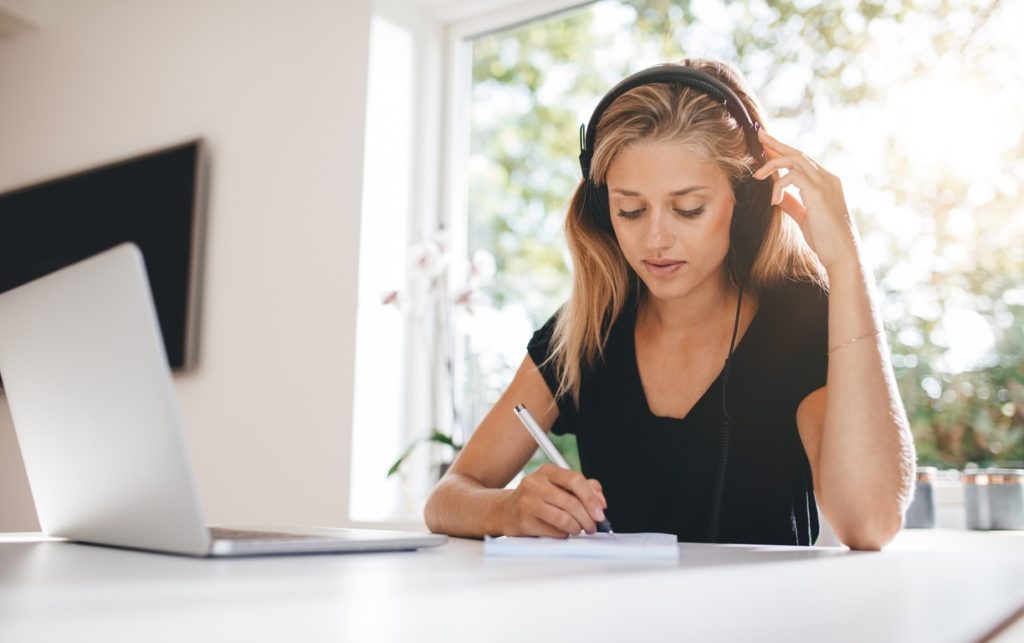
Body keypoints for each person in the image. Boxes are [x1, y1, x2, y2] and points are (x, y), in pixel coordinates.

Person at [424, 57, 916, 549]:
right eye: (630, 210)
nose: (655, 239)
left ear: (744, 203)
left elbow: (869, 521)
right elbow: (448, 497)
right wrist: (509, 508)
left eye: (688, 209)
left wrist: (846, 264)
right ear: (603, 209)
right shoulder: (585, 330)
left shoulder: (797, 320)